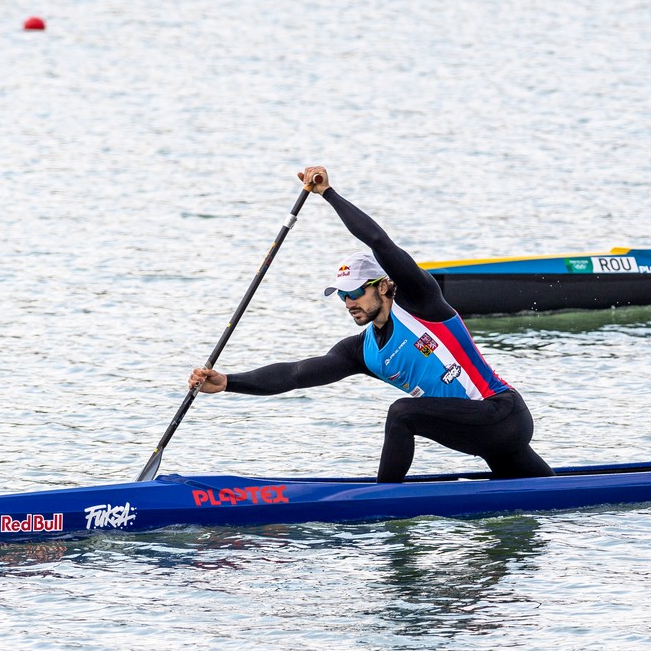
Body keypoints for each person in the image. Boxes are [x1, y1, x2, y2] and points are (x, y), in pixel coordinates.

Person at [189, 166, 554, 484]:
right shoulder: (361, 351)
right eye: (341, 296)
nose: (348, 303)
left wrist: (327, 194)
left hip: (502, 414)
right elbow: (296, 374)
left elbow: (379, 241)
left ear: (382, 286)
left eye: (354, 293)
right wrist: (230, 383)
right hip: (479, 437)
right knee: (550, 494)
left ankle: (384, 503)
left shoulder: (420, 302)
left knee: (402, 413)